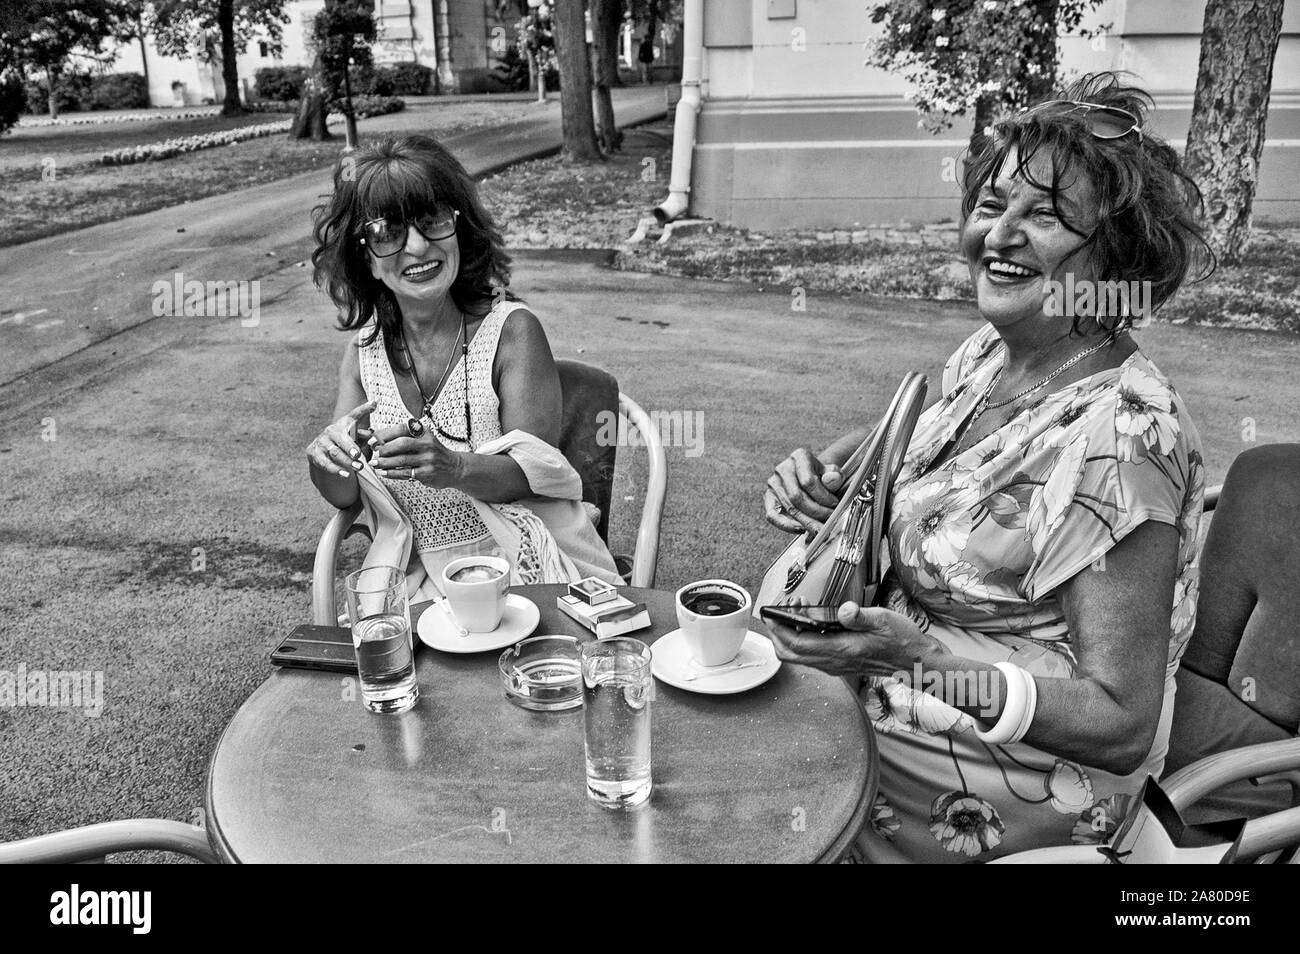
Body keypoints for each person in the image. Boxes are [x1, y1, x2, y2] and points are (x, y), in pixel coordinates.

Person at [762, 74, 1212, 862]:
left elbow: (1119, 721)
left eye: (1042, 215)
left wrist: (918, 662)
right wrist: (837, 476)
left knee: (729, 790)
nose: (996, 236)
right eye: (990, 206)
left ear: (1117, 255)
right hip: (879, 708)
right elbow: (946, 458)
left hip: (1002, 788)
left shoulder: (1127, 439)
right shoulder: (993, 355)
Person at [307, 135, 619, 597]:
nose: (417, 246)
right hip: (417, 576)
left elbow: (531, 478)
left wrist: (451, 467)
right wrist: (327, 459)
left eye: (432, 220)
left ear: (459, 231)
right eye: (387, 232)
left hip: (525, 560)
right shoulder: (363, 354)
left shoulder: (513, 332)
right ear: (368, 261)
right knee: (380, 662)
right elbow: (344, 494)